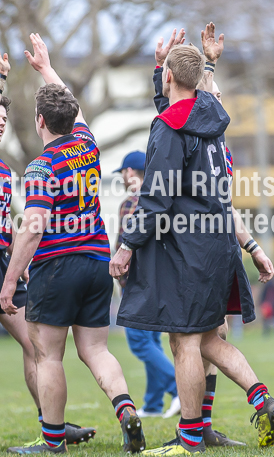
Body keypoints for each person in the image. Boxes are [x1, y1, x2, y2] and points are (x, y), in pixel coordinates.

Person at [111, 24, 274, 454]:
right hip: (217, 244)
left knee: (185, 341)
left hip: (187, 250)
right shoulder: (210, 116)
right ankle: (259, 400)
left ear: (171, 78)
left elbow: (156, 197)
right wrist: (184, 66)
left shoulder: (170, 127)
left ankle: (188, 440)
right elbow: (183, 107)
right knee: (208, 338)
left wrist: (127, 243)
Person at [0, 33, 146, 454]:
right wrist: (46, 69)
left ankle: (52, 442)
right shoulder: (88, 145)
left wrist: (9, 282)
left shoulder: (42, 166)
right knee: (95, 349)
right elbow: (75, 112)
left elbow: (32, 227)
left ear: (41, 122)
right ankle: (126, 410)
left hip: (57, 267)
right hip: (97, 261)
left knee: (49, 357)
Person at [115, 150, 181, 419]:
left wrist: (120, 276)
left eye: (122, 172)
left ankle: (178, 388)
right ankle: (153, 403)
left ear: (130, 172)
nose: (122, 176)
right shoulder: (161, 198)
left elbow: (126, 241)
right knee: (152, 339)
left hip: (137, 282)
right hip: (159, 279)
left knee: (140, 343)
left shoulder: (130, 202)